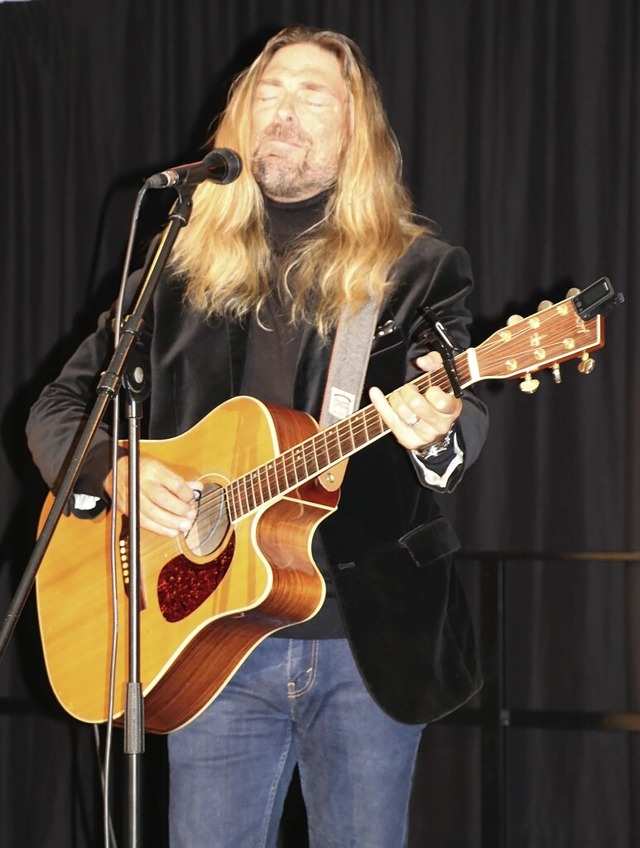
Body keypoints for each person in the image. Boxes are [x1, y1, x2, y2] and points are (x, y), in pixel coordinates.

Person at [26, 24, 489, 848]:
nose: (286, 108)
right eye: (268, 91)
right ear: (238, 122)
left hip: (364, 642)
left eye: (315, 94)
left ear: (358, 133)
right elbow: (57, 409)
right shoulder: (173, 271)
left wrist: (437, 429)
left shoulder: (418, 269)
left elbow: (456, 405)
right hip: (206, 635)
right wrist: (119, 469)